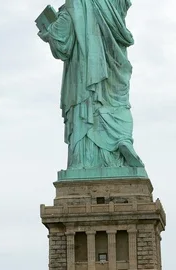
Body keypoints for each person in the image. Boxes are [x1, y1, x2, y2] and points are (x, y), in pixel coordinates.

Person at [38, 0, 144, 169]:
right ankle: (122, 139)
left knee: (88, 104)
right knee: (117, 103)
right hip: (113, 64)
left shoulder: (76, 4)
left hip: (84, 70)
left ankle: (83, 160)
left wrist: (49, 31)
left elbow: (62, 43)